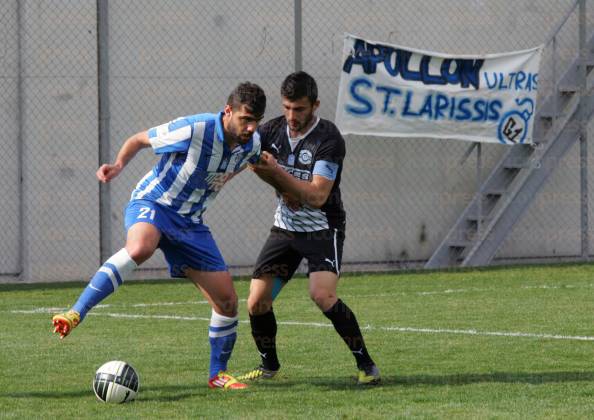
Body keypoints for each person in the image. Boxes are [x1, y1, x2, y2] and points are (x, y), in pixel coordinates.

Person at [51, 82, 266, 390]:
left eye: (255, 120)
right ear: (228, 111)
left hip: (190, 223)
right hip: (155, 203)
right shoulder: (196, 128)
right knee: (140, 247)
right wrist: (118, 165)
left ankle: (218, 374)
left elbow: (242, 164)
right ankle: (75, 312)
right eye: (245, 118)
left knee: (228, 301)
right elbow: (139, 139)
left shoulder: (252, 144)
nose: (250, 126)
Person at [240, 71, 380, 385]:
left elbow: (317, 196)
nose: (291, 116)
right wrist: (283, 188)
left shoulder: (328, 138)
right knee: (257, 302)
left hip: (322, 229)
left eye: (299, 109)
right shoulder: (271, 130)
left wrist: (279, 174)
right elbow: (252, 161)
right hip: (285, 230)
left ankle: (366, 365)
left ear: (315, 105)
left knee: (322, 295)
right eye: (287, 107)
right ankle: (269, 367)